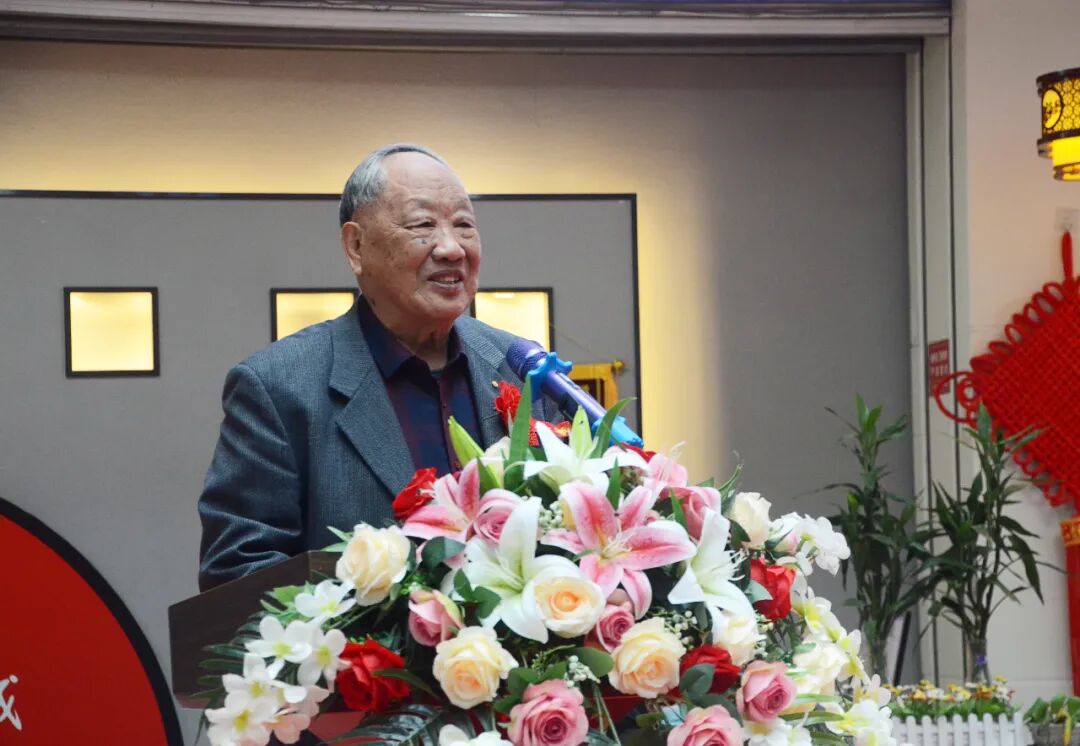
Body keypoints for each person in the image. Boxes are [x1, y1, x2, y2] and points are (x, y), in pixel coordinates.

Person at [198, 143, 566, 591]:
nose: (452, 248)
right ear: (356, 246)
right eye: (422, 225)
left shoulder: (518, 365)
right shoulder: (279, 387)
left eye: (464, 225)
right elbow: (239, 573)